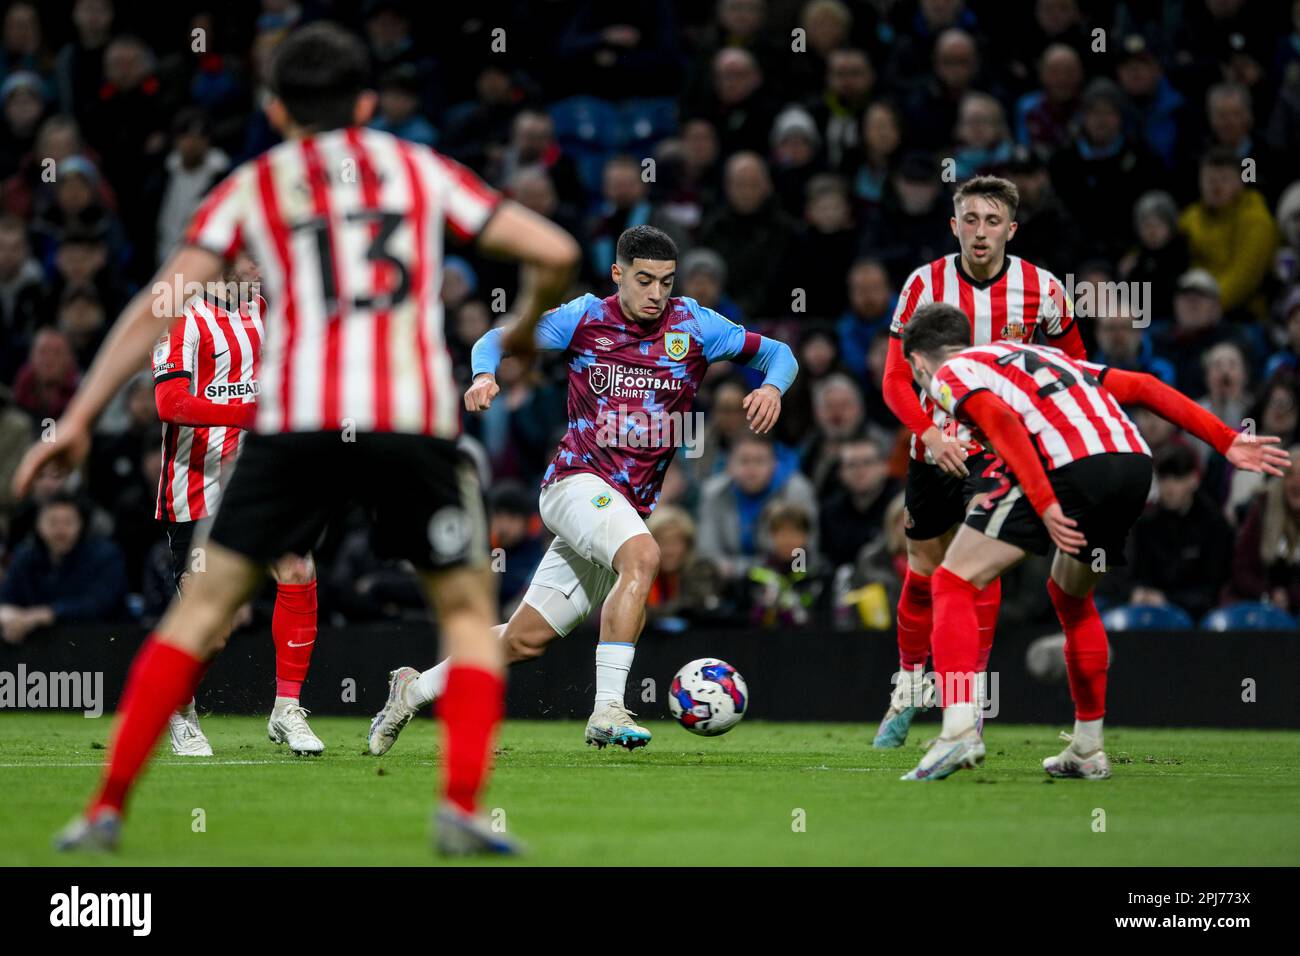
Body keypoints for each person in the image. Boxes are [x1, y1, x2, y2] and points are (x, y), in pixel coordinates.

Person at [13, 23, 582, 857]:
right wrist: (527, 332)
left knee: (202, 605)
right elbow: (556, 249)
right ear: (365, 103)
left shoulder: (255, 184)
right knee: (464, 611)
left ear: (277, 110)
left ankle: (105, 809)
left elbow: (158, 303)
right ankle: (460, 808)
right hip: (410, 416)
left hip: (299, 420)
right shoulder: (418, 169)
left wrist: (84, 414)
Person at [367, 224, 797, 756]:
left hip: (623, 507)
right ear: (618, 274)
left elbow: (779, 353)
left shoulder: (696, 324)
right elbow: (495, 339)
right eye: (644, 280)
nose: (656, 294)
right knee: (643, 556)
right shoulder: (585, 317)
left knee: (526, 639)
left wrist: (773, 387)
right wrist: (482, 376)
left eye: (665, 282)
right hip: (575, 484)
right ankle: (608, 710)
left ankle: (412, 689)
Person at [896, 302, 1288, 781]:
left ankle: (957, 731)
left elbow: (1002, 424)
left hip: (1069, 465)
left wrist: (1044, 502)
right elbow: (1144, 387)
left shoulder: (950, 373)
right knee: (1070, 595)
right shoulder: (1037, 355)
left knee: (953, 581)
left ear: (917, 362)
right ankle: (1086, 748)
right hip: (1130, 465)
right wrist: (1225, 440)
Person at [873, 174, 1087, 750]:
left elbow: (1074, 373)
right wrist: (927, 432)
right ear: (954, 225)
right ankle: (908, 685)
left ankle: (966, 709)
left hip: (996, 456)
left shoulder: (1043, 291)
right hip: (930, 450)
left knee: (975, 569)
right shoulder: (925, 284)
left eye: (993, 221)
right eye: (970, 219)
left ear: (1011, 229)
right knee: (922, 572)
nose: (981, 232)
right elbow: (895, 377)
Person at [151, 251, 324, 758]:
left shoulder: (268, 312)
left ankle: (286, 710)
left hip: (259, 481)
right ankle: (179, 712)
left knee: (297, 568)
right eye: (251, 254)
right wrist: (244, 412)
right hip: (196, 488)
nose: (261, 261)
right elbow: (170, 404)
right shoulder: (183, 317)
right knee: (215, 626)